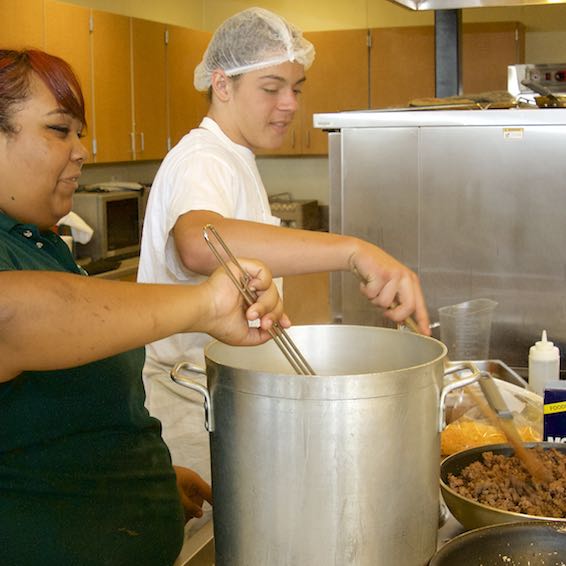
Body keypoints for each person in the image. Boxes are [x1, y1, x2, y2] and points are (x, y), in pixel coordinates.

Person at [138, 6, 431, 535]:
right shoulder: (202, 157)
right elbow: (198, 243)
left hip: (228, 402)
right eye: (272, 87)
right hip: (193, 409)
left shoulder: (235, 158)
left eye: (297, 87)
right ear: (222, 85)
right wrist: (352, 251)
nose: (290, 104)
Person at [0, 48, 288, 565]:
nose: (82, 150)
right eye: (59, 130)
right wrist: (204, 305)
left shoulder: (41, 244)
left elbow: (55, 418)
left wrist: (148, 476)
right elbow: (14, 321)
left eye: (80, 133)